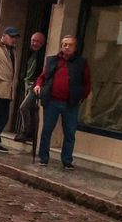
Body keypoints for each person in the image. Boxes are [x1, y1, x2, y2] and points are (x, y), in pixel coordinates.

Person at [33, 34, 90, 170]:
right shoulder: (53, 60)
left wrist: (81, 97)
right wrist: (38, 85)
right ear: (61, 46)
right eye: (64, 44)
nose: (67, 47)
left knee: (70, 133)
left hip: (70, 104)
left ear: (75, 48)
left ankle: (67, 160)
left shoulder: (81, 63)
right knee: (47, 130)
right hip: (52, 102)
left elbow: (87, 83)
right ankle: (43, 158)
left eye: (70, 45)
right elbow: (43, 77)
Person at [12, 31, 47, 146]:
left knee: (24, 107)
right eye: (33, 40)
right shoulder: (29, 52)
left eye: (37, 41)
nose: (35, 43)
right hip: (27, 83)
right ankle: (30, 133)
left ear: (42, 43)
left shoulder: (43, 55)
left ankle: (25, 132)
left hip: (35, 85)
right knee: (31, 109)